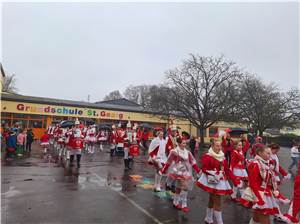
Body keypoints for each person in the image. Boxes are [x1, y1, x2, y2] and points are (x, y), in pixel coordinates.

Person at [196, 140, 241, 224]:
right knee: (217, 201)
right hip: (212, 181)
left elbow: (227, 170)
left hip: (220, 181)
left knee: (212, 200)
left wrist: (235, 180)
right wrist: (215, 173)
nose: (219, 148)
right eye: (217, 146)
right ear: (212, 146)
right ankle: (219, 222)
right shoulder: (208, 156)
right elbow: (204, 168)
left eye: (220, 146)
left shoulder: (222, 157)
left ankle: (208, 218)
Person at [241, 145, 280, 224]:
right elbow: (252, 183)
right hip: (259, 195)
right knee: (265, 220)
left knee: (256, 219)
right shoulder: (256, 164)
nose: (270, 155)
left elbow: (267, 182)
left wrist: (275, 191)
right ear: (260, 153)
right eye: (267, 153)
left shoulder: (265, 164)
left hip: (265, 194)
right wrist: (259, 199)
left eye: (270, 153)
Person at [160, 137, 201, 213]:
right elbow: (168, 161)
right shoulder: (174, 151)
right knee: (184, 187)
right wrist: (163, 170)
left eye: (185, 143)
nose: (185, 145)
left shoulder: (188, 152)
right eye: (183, 143)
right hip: (177, 171)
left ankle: (176, 202)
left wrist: (198, 171)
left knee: (179, 188)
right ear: (178, 143)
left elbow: (193, 162)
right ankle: (184, 204)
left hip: (186, 171)